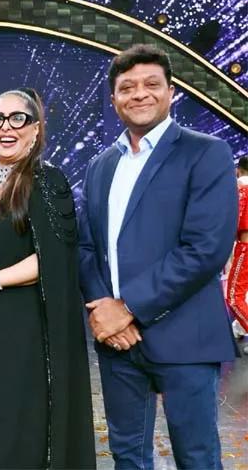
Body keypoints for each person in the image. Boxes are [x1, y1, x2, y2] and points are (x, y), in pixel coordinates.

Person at [78, 44, 239, 469]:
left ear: (171, 92)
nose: (139, 94)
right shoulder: (101, 165)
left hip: (185, 336)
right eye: (127, 87)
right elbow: (86, 247)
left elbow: (205, 247)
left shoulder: (206, 152)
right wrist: (104, 309)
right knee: (127, 457)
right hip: (117, 343)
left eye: (151, 84)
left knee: (197, 457)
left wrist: (127, 307)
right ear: (114, 98)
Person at [0, 88, 96, 469]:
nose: (6, 127)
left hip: (24, 328)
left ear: (36, 128)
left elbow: (53, 260)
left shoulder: (47, 180)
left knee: (18, 426)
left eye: (17, 118)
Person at [226, 156, 248, 353]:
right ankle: (238, 328)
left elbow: (234, 219)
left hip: (246, 248)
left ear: (238, 170)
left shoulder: (241, 186)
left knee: (234, 297)